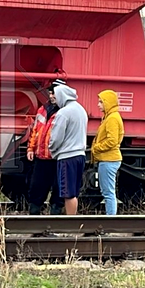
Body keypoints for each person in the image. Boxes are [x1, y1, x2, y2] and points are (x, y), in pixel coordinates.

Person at [26, 79, 66, 215]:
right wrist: (30, 148)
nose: (51, 96)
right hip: (41, 156)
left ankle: (55, 214)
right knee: (36, 186)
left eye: (54, 93)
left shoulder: (66, 112)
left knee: (58, 188)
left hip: (57, 157)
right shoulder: (42, 110)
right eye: (50, 92)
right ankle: (34, 213)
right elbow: (35, 130)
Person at [49, 85, 88, 215]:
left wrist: (52, 150)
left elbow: (56, 138)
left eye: (55, 95)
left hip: (67, 156)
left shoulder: (63, 113)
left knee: (68, 193)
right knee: (74, 192)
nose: (54, 98)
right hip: (80, 155)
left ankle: (71, 223)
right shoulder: (81, 110)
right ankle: (72, 219)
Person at [91, 90, 125, 215]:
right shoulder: (110, 117)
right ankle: (110, 218)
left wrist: (96, 148)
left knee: (108, 193)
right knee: (108, 192)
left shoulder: (112, 118)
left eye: (101, 102)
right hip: (108, 159)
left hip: (108, 159)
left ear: (108, 103)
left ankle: (110, 219)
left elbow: (113, 140)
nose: (98, 104)